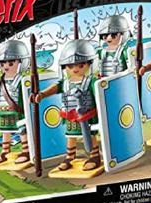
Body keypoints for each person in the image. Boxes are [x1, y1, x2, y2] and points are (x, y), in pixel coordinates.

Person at [34, 39, 101, 171]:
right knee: (71, 135)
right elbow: (55, 88)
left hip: (88, 115)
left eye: (80, 65)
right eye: (71, 66)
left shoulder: (91, 81)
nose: (75, 69)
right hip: (70, 115)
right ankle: (70, 157)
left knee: (91, 135)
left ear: (89, 63)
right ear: (65, 67)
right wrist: (42, 94)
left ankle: (94, 156)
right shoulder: (65, 83)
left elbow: (100, 93)